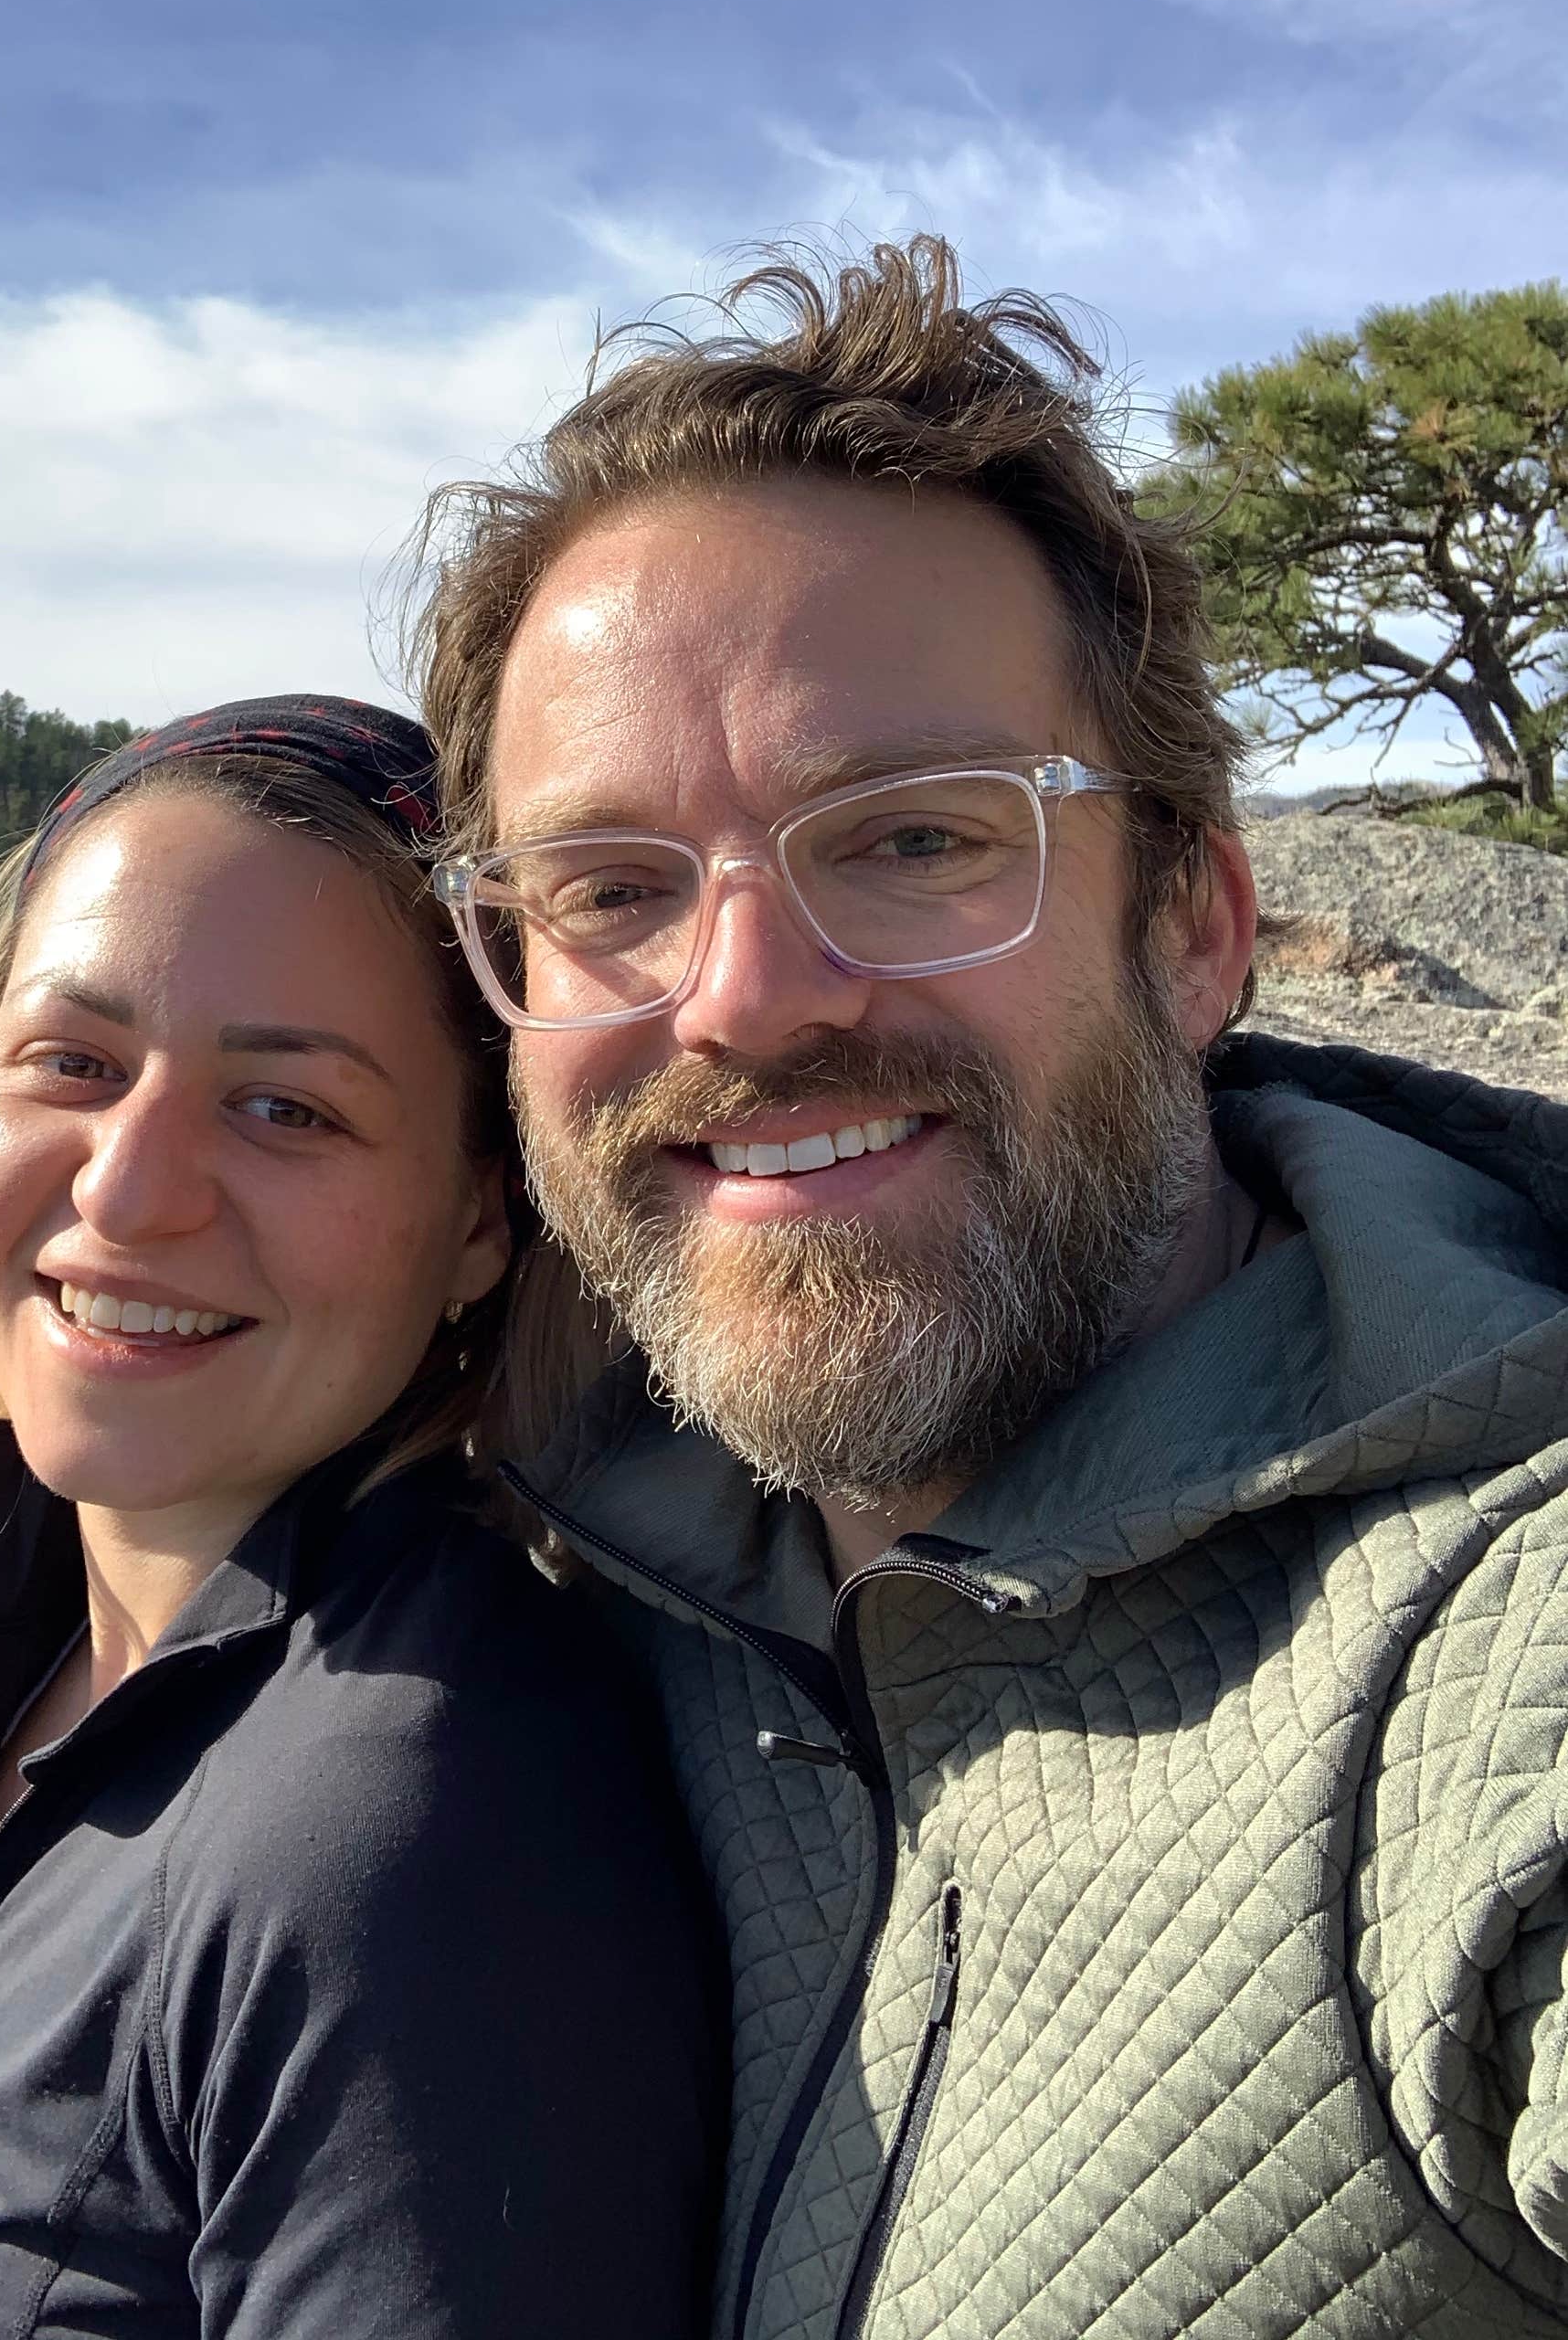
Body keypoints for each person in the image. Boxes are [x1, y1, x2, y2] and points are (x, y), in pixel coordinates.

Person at [408, 240, 1568, 2339]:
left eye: (916, 838)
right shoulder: (583, 1578)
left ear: (1201, 927)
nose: (742, 1000)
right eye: (607, 890)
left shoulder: (1495, 1641)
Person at [0, 695, 721, 2340]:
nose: (125, 1189)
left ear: (484, 1219)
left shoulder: (405, 1826)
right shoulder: (39, 1653)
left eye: (287, 1109)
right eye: (74, 1062)